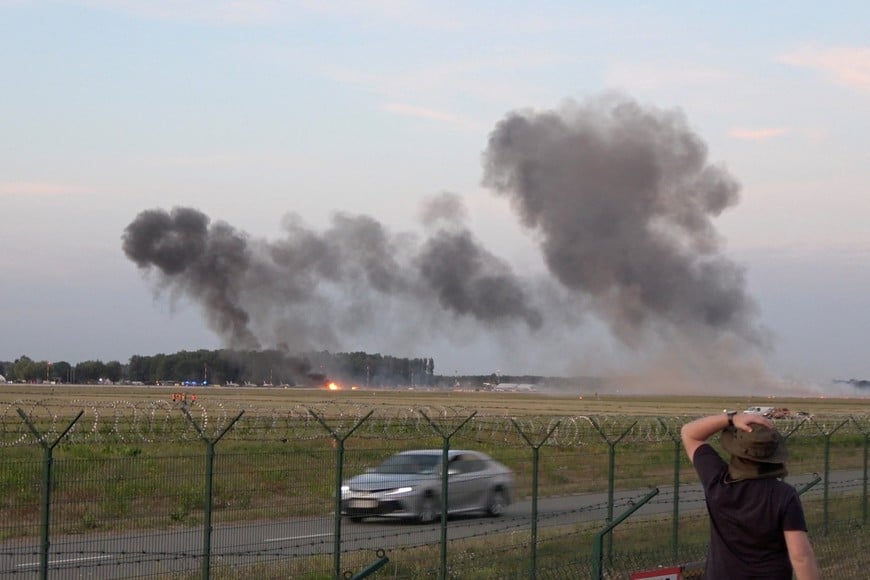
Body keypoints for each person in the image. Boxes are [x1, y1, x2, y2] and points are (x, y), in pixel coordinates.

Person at [681, 411, 820, 580]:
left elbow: (689, 433)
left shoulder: (717, 481)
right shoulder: (783, 495)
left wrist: (731, 418)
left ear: (735, 449)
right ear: (774, 456)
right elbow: (801, 556)